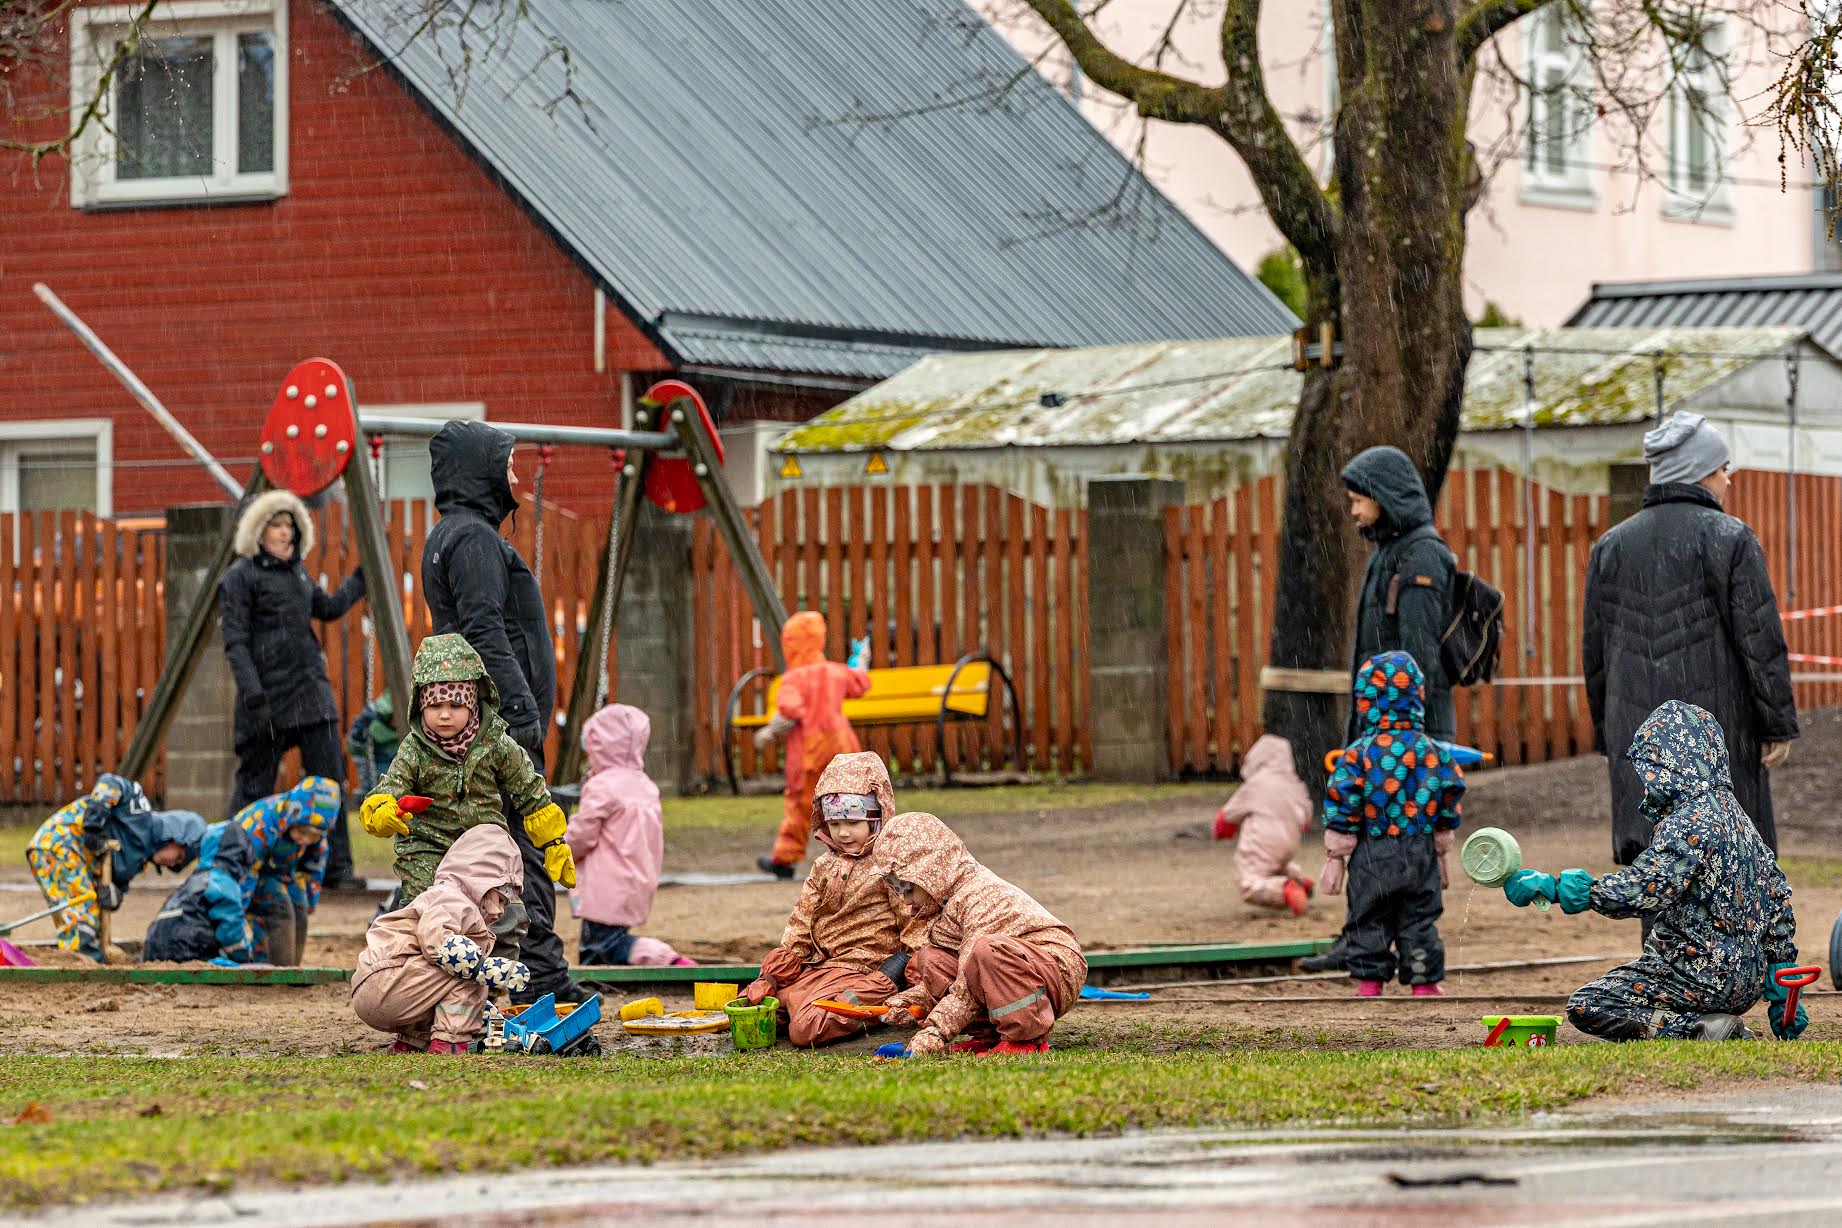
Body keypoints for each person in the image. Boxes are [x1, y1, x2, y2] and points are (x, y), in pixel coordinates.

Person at [1504, 701, 1802, 1042]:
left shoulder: (1690, 821)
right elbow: (1777, 898)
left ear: (1669, 767)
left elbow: (1646, 887)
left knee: (1590, 1004)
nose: (1646, 784)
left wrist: (1564, 888)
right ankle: (1716, 1021)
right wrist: (1783, 977)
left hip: (1698, 974)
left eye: (1650, 771)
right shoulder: (1740, 820)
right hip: (1747, 981)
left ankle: (1697, 1031)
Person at [1583, 411, 1798, 870]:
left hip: (1640, 740)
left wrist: (1608, 731)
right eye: (1724, 470)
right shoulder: (1730, 538)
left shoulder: (1610, 548)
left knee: (1656, 869)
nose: (1728, 482)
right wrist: (1776, 723)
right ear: (1700, 473)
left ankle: (1662, 946)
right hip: (1719, 736)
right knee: (1730, 867)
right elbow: (1759, 641)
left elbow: (1596, 654)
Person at [421, 419, 576, 1003]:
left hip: (488, 720)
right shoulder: (475, 539)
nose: (515, 476)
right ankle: (544, 978)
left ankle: (471, 970)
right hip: (501, 724)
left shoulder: (451, 534)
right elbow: (485, 629)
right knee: (525, 845)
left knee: (482, 843)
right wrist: (518, 710)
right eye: (506, 464)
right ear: (479, 469)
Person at [1303, 446, 1457, 975]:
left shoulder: (1419, 557)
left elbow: (1419, 656)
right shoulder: (1390, 552)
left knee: (1401, 849)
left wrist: (1401, 736)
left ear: (1385, 499)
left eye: (1359, 500)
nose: (1353, 512)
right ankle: (1363, 941)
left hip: (1403, 736)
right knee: (1372, 845)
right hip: (1380, 730)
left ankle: (1411, 951)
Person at [358, 634, 571, 962]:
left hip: (481, 846)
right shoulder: (415, 750)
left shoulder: (496, 745)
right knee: (429, 911)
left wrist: (554, 843)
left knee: (504, 913)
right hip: (429, 847)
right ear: (420, 705)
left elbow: (530, 791)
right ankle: (425, 979)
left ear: (473, 703)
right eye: (435, 706)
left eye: (455, 705)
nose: (444, 715)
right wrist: (383, 808)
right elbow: (392, 786)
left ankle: (493, 984)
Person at [220, 489, 366, 890]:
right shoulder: (239, 578)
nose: (285, 533)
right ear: (258, 532)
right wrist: (252, 694)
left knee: (329, 783)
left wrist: (359, 581)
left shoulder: (298, 574)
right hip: (266, 697)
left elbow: (329, 608)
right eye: (276, 526)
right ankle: (232, 859)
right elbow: (235, 641)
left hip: (310, 692)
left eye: (290, 526)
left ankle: (337, 870)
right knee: (254, 785)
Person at [740, 752, 922, 1046]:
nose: (843, 833)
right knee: (757, 1005)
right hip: (823, 967)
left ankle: (881, 1005)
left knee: (805, 1029)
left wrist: (901, 970)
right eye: (835, 824)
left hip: (869, 972)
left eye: (853, 823)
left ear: (877, 818)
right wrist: (772, 976)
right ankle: (802, 999)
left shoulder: (889, 863)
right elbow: (801, 922)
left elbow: (915, 924)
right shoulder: (823, 866)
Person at [873, 810, 1086, 1056]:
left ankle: (1026, 1038)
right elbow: (966, 977)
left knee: (987, 951)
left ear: (931, 871)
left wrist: (936, 1031)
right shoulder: (945, 901)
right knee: (931, 959)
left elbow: (966, 981)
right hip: (1014, 968)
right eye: (894, 887)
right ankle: (993, 1037)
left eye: (906, 886)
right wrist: (913, 1001)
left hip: (1055, 966)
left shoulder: (979, 897)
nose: (904, 898)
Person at [1318, 651, 1465, 998]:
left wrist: (1336, 854)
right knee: (1419, 918)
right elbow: (1449, 791)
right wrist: (1442, 836)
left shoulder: (1358, 753)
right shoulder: (1432, 751)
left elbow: (1343, 800)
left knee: (1368, 916)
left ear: (1365, 702)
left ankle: (1370, 981)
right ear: (1418, 698)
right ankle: (1424, 980)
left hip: (1373, 851)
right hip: (1419, 850)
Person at [352, 825, 531, 1054]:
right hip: (390, 980)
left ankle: (411, 1042)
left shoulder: (445, 897)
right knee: (468, 976)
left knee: (452, 976)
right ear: (485, 883)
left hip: (380, 983)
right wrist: (483, 968)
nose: (500, 912)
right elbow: (437, 941)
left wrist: (482, 1011)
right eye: (501, 899)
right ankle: (450, 1043)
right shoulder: (454, 900)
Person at [25, 775, 205, 962]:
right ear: (175, 838)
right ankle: (79, 970)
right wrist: (94, 824)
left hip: (74, 862)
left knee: (90, 922)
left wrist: (112, 894)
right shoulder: (138, 814)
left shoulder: (138, 861)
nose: (173, 865)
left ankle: (88, 964)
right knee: (82, 918)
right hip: (59, 844)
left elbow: (113, 889)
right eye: (179, 858)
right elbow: (110, 783)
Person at [565, 704, 690, 967]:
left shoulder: (602, 786)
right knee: (602, 943)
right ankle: (598, 975)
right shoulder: (644, 785)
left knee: (605, 945)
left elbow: (583, 834)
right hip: (636, 879)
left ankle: (664, 957)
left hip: (606, 885)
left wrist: (560, 848)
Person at [753, 611, 870, 878]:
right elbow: (859, 684)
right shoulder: (834, 672)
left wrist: (770, 731)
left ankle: (785, 859)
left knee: (800, 803)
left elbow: (790, 710)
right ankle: (859, 852)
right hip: (842, 747)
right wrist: (861, 660)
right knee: (850, 800)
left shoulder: (793, 679)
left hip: (808, 750)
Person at [235, 776, 341, 966]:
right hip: (244, 872)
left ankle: (292, 966)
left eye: (313, 836)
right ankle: (272, 966)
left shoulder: (315, 836)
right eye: (301, 833)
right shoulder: (264, 823)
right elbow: (246, 869)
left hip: (279, 871)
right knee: (278, 904)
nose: (304, 841)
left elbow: (313, 869)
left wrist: (310, 899)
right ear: (293, 817)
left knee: (299, 905)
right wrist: (240, 904)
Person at [1214, 733, 1316, 915]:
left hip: (1263, 840)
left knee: (1249, 879)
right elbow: (1307, 817)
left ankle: (1286, 890)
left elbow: (1228, 816)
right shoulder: (1295, 785)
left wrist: (1221, 830)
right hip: (1290, 842)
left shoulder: (1255, 785)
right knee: (1274, 867)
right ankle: (1298, 882)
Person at [142, 820, 260, 964]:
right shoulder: (223, 882)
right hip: (188, 954)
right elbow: (231, 933)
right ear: (241, 855)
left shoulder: (193, 881)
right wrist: (245, 960)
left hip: (155, 954)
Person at [346, 692, 403, 797]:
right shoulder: (375, 726)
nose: (396, 720)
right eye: (394, 717)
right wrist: (361, 724)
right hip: (377, 772)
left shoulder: (407, 732)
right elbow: (355, 748)